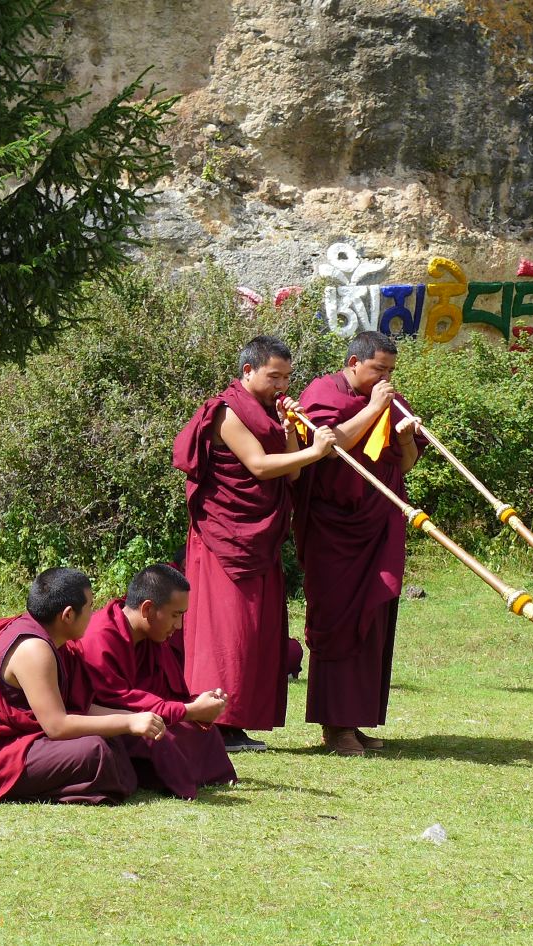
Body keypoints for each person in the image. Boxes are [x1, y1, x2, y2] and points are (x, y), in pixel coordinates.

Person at [173, 335, 337, 752]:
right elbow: (261, 467)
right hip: (224, 536)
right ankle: (215, 721)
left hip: (259, 535)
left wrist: (291, 433)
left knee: (255, 630)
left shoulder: (268, 413)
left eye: (286, 377)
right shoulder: (228, 411)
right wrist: (317, 452)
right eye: (273, 377)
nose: (281, 386)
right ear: (248, 371)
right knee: (225, 629)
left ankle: (239, 720)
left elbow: (291, 476)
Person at [0, 568, 163, 804]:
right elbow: (57, 726)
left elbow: (79, 706)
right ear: (68, 615)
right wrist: (130, 722)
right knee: (96, 752)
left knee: (110, 742)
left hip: (9, 743)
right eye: (91, 606)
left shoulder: (52, 641)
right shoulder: (34, 649)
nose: (94, 614)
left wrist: (133, 717)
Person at [294, 331, 423, 756]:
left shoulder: (389, 400)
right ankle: (335, 728)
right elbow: (331, 447)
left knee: (373, 620)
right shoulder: (323, 393)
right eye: (378, 369)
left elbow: (405, 462)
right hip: (335, 530)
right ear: (354, 362)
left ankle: (356, 721)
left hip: (378, 523)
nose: (386, 378)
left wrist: (404, 435)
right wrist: (373, 408)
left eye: (390, 371)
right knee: (339, 622)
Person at [78, 564, 237, 799]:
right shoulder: (101, 637)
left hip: (145, 712)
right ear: (148, 609)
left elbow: (164, 691)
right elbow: (121, 699)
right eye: (175, 615)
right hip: (109, 718)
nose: (179, 626)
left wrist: (197, 708)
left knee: (203, 732)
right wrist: (189, 711)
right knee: (162, 738)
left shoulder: (150, 634)